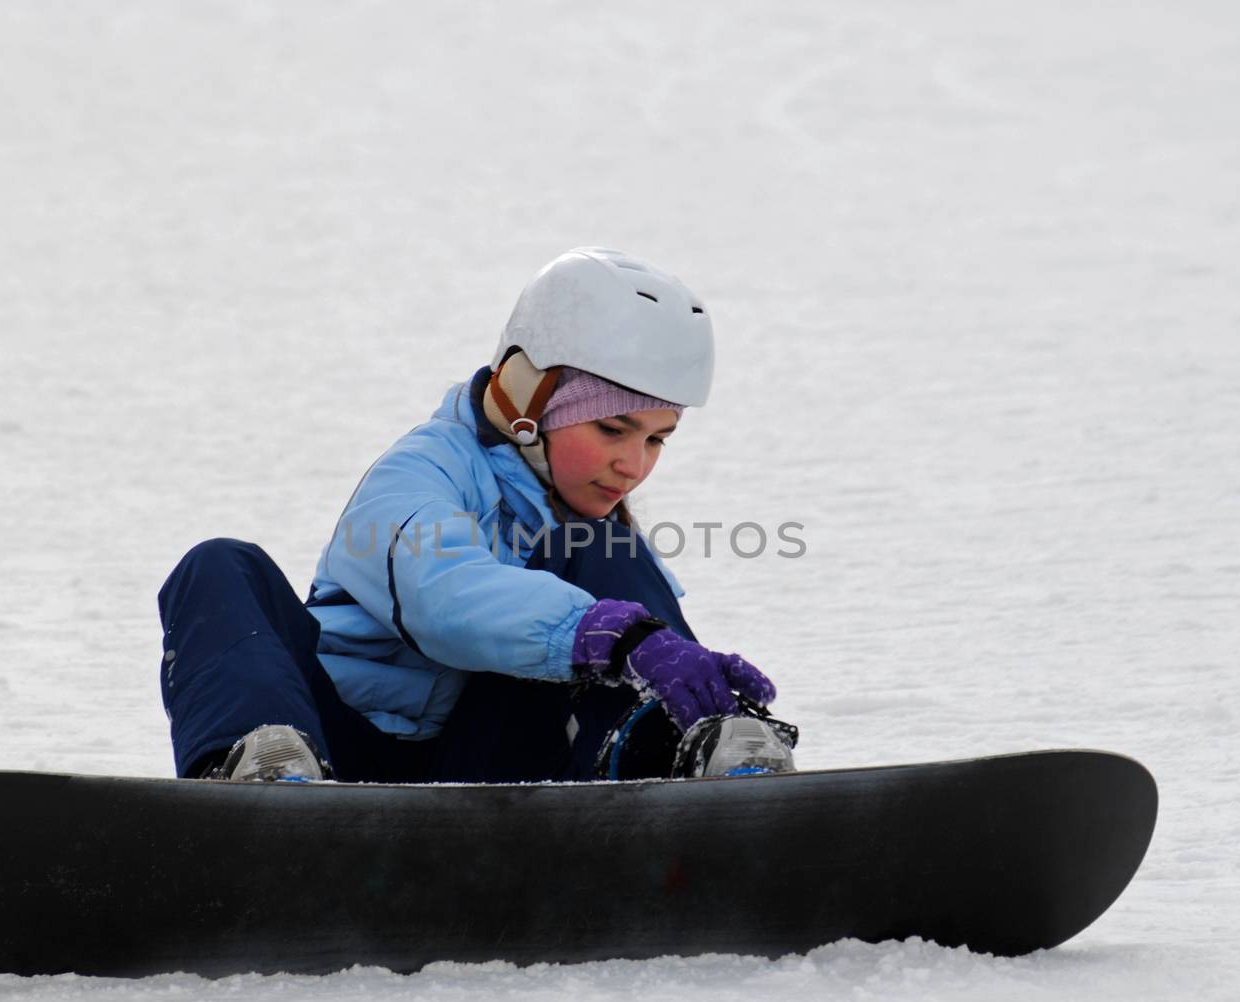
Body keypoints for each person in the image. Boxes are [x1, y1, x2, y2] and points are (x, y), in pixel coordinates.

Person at [156, 247, 795, 784]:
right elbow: (445, 598)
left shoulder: (593, 535)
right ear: (529, 397)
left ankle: (692, 755)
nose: (634, 464)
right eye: (611, 428)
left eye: (657, 439)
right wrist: (616, 637)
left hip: (485, 763)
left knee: (603, 549)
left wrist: (664, 657)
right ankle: (263, 773)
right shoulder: (421, 471)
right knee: (219, 566)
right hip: (341, 755)